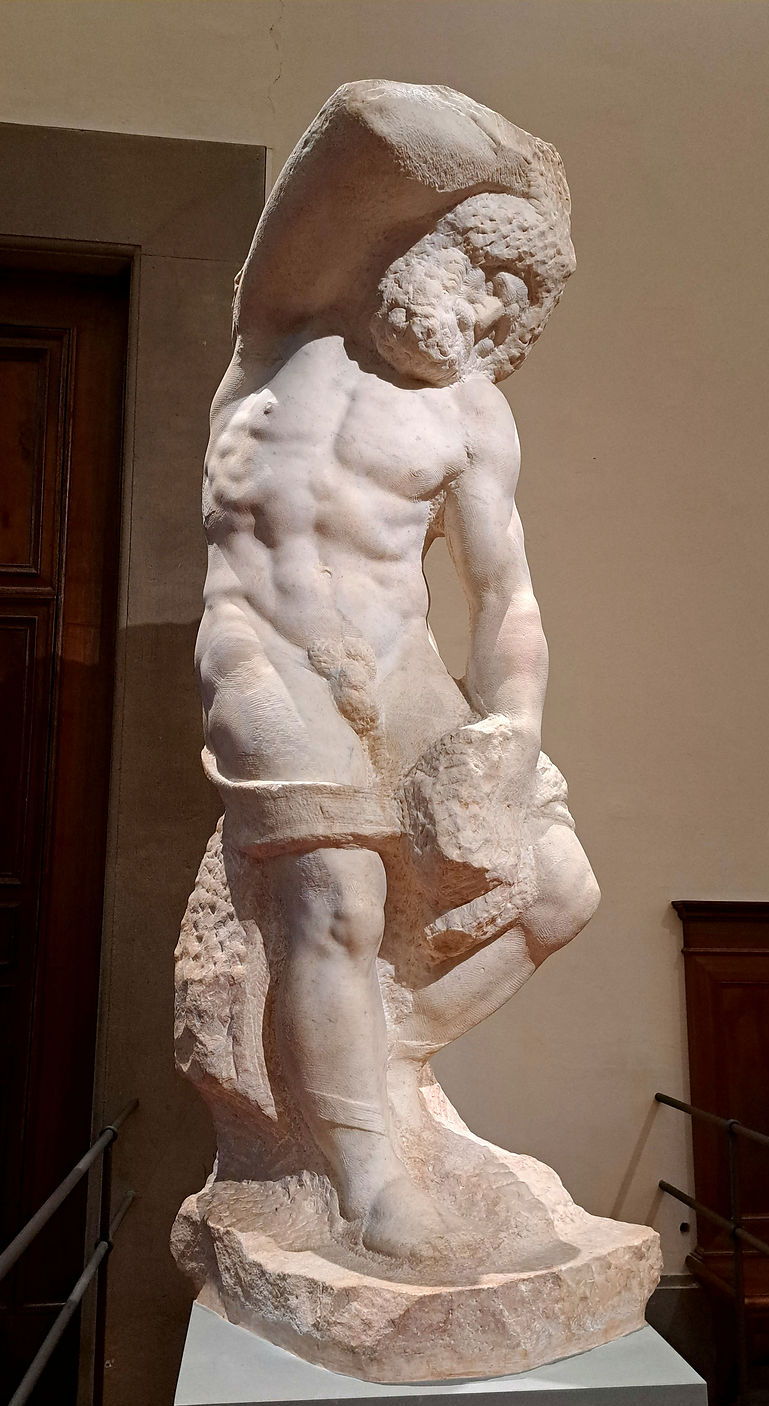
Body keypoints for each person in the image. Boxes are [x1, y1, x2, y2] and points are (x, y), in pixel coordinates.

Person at [194, 81, 600, 1260]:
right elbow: (373, 118)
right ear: (425, 243)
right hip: (266, 654)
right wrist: (529, 185)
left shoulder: (472, 418)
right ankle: (367, 1184)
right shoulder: (283, 333)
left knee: (558, 887)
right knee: (339, 900)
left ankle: (382, 1048)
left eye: (515, 301)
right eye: (481, 269)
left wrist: (510, 730)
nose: (489, 307)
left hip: (401, 667)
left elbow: (505, 593)